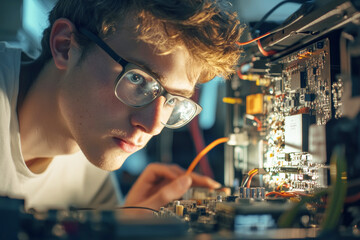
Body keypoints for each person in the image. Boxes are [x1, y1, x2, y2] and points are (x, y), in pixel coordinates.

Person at [0, 0, 242, 211]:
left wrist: (124, 219)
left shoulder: (90, 159)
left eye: (173, 100)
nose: (152, 126)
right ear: (65, 46)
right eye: (138, 79)